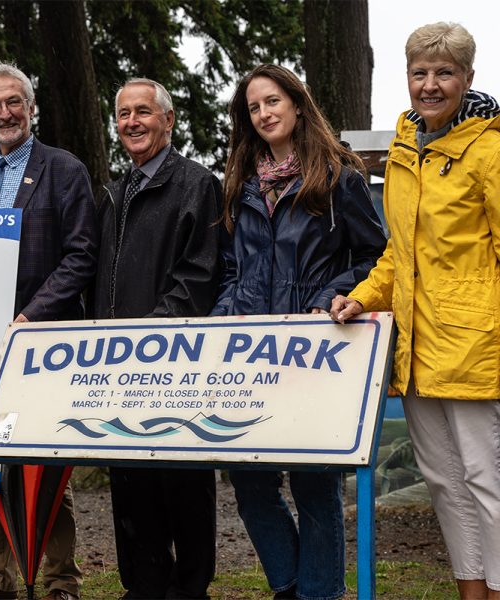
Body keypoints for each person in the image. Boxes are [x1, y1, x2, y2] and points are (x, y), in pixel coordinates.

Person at [331, 22, 500, 599]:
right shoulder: (405, 149)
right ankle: (471, 590)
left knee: (488, 481)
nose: (430, 85)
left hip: (479, 347)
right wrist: (361, 298)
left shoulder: (490, 150)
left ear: (468, 78)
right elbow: (398, 256)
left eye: (444, 73)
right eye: (420, 73)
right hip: (419, 349)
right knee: (445, 484)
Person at [211, 63, 386, 600]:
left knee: (314, 483)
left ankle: (319, 593)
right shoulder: (238, 184)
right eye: (253, 107)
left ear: (296, 103)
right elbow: (230, 268)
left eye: (272, 101)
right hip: (248, 355)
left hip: (318, 349)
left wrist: (326, 297)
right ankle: (290, 586)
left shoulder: (340, 176)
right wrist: (224, 314)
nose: (264, 113)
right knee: (249, 482)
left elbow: (375, 255)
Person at [0, 62, 98, 600]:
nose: (5, 112)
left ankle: (59, 580)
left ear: (32, 108)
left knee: (46, 461)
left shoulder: (64, 168)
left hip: (44, 340)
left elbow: (81, 256)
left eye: (15, 102)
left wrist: (31, 315)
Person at [92, 78, 221, 600]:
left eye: (143, 112)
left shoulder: (196, 183)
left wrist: (150, 335)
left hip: (175, 360)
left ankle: (191, 589)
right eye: (123, 115)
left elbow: (200, 272)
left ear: (168, 120)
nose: (132, 123)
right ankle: (143, 586)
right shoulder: (114, 192)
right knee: (130, 478)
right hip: (117, 364)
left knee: (183, 479)